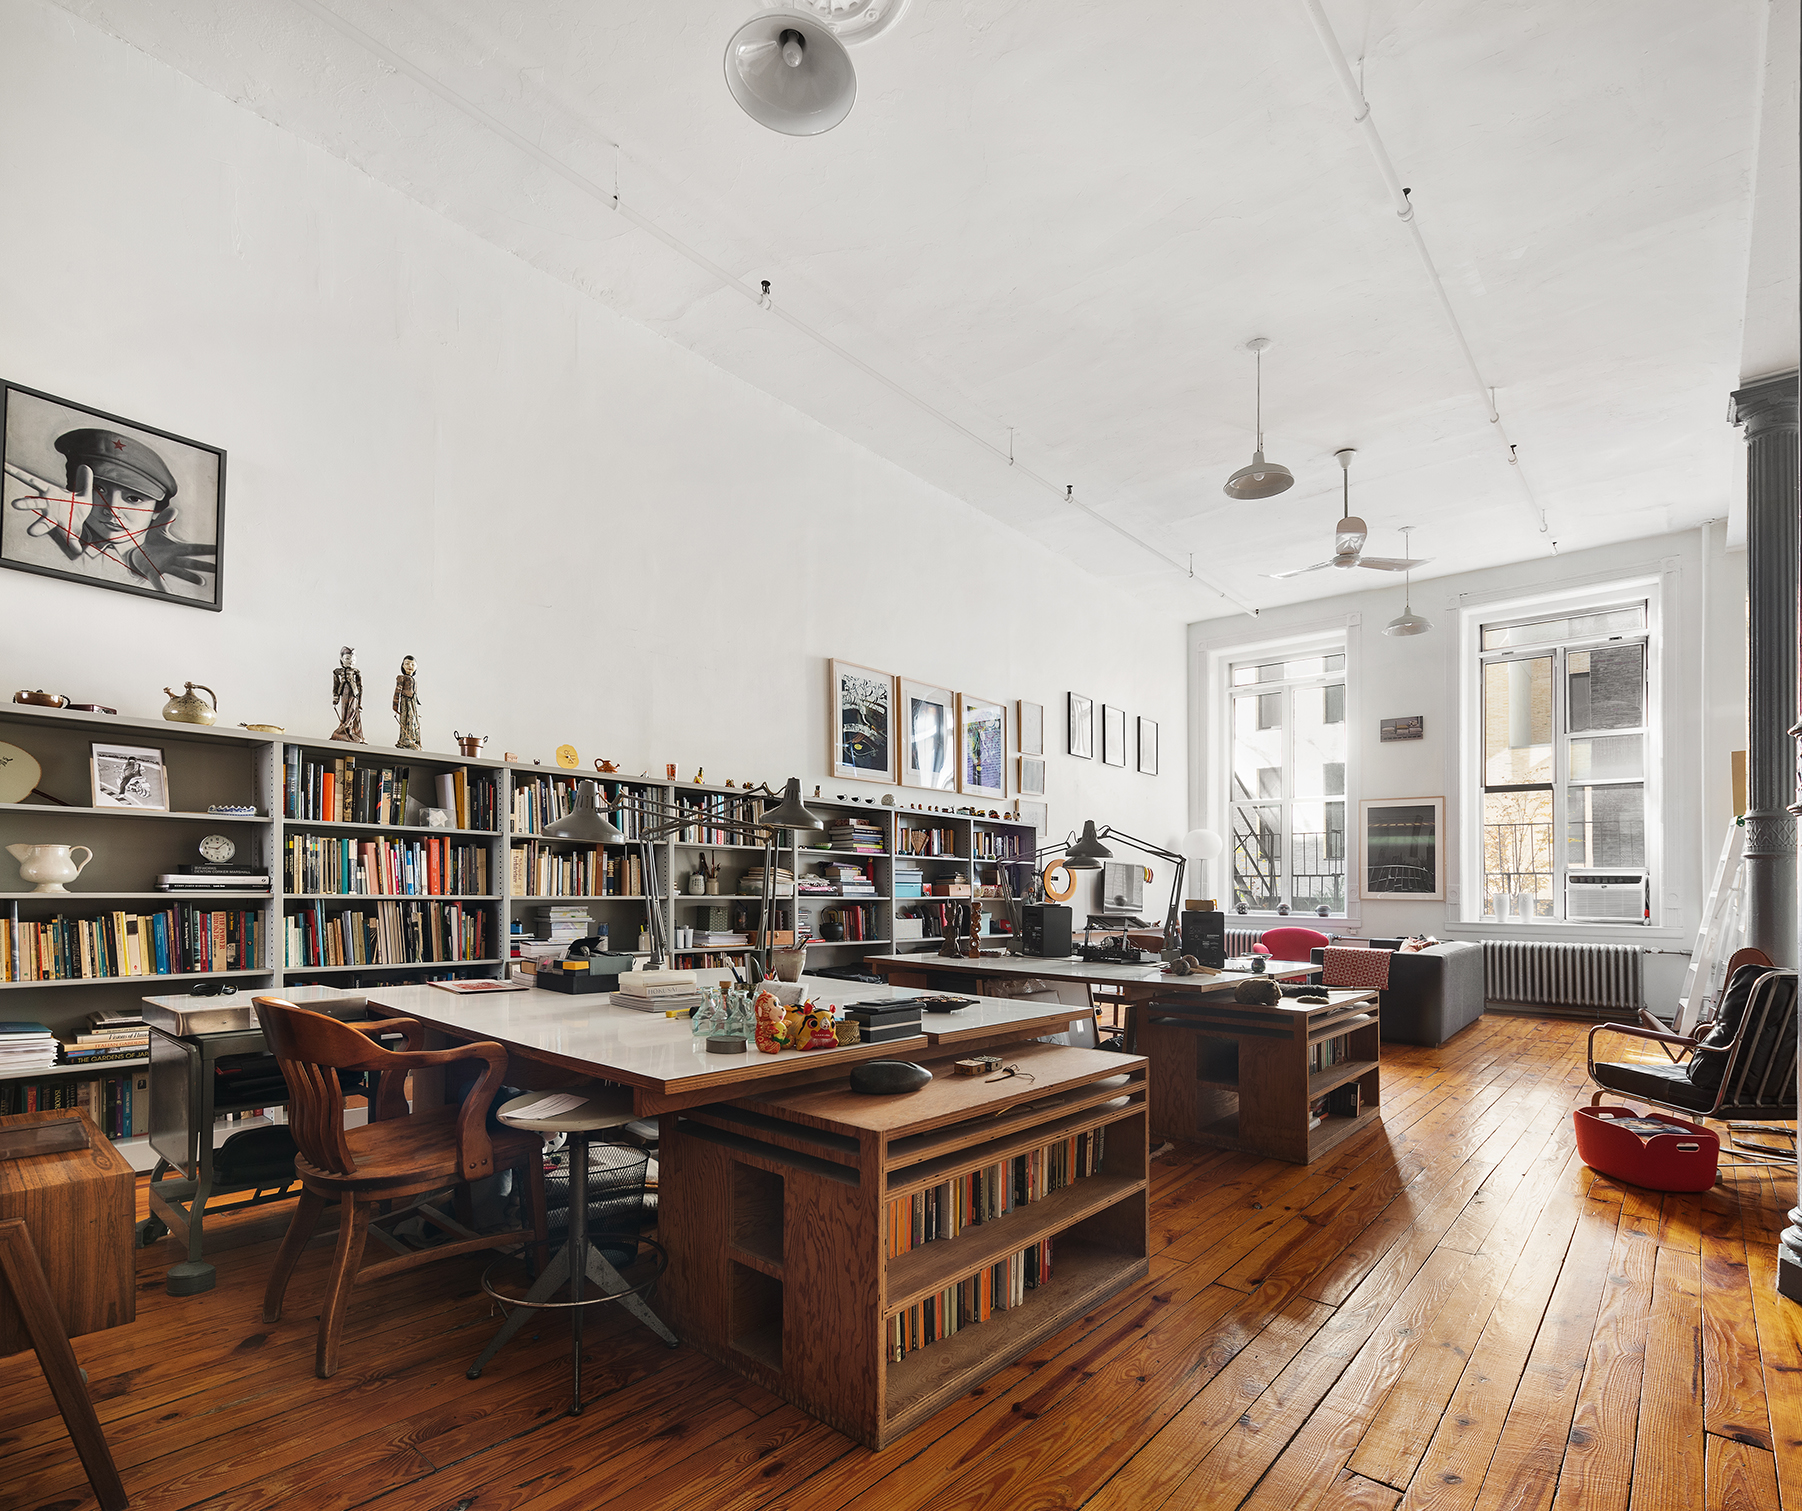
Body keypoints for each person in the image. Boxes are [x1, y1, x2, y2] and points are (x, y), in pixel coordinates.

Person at [7, 428, 215, 594]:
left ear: (156, 511)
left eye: (133, 498)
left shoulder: (171, 577)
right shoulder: (32, 534)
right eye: (99, 490)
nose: (112, 510)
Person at [330, 647, 365, 743]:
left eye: (353, 659)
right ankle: (344, 731)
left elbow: (360, 687)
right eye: (347, 659)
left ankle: (350, 731)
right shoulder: (338, 672)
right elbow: (335, 686)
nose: (351, 662)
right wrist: (335, 698)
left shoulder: (356, 672)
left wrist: (360, 701)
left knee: (353, 711)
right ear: (341, 659)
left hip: (354, 693)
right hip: (344, 692)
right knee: (344, 712)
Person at [393, 656, 421, 750]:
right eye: (407, 663)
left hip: (412, 703)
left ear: (416, 667)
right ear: (403, 666)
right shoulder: (401, 678)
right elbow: (397, 691)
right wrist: (395, 705)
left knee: (414, 722)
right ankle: (405, 740)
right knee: (405, 720)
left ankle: (413, 739)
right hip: (405, 701)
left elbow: (415, 694)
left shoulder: (414, 681)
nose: (410, 666)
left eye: (413, 664)